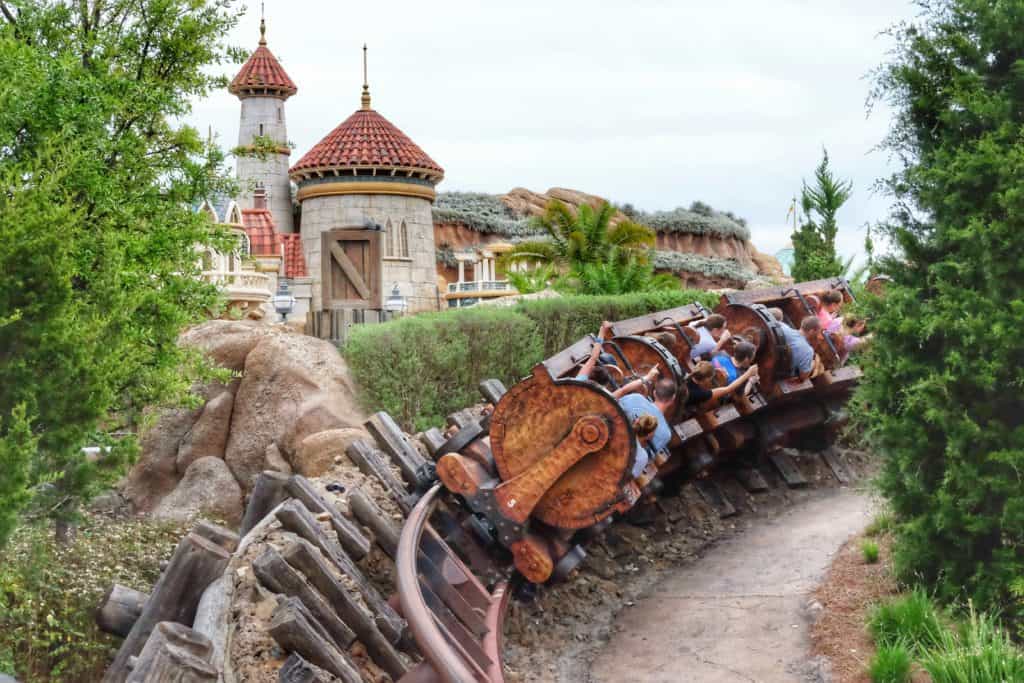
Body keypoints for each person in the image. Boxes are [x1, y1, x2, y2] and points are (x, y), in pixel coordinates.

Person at [618, 377, 678, 476]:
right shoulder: (666, 434)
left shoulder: (635, 397)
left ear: (654, 393)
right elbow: (647, 457)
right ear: (672, 399)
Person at [685, 359, 758, 408]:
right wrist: (748, 374)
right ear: (707, 379)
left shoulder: (684, 375)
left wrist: (715, 370)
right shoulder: (702, 394)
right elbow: (728, 389)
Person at [778, 316, 820, 380]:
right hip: (780, 377)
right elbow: (803, 376)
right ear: (811, 331)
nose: (819, 335)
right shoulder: (808, 351)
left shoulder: (782, 327)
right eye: (818, 332)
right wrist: (814, 364)